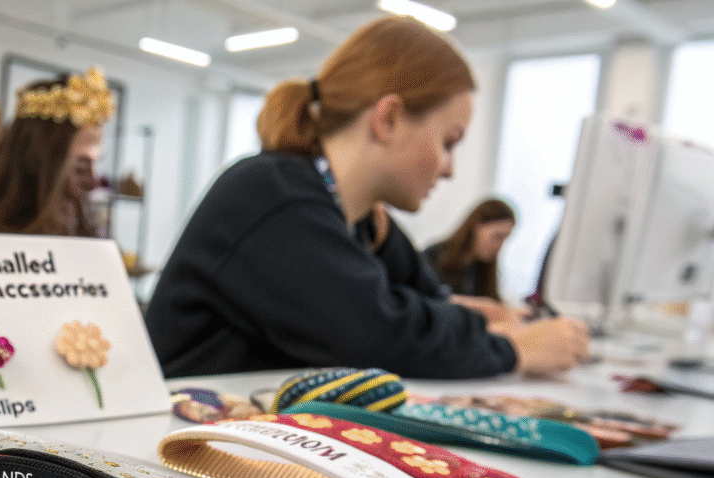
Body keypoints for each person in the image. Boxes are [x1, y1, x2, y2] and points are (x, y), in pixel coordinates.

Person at [144, 16, 589, 379]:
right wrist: (514, 350)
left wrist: (480, 318)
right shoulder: (273, 196)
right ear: (388, 118)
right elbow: (380, 335)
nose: (450, 168)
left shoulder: (352, 217)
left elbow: (428, 298)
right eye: (448, 142)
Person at [0, 67, 115, 236]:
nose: (93, 183)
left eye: (97, 163)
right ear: (35, 163)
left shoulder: (85, 239)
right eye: (80, 167)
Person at [420, 197, 529, 326]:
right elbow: (426, 301)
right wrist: (484, 307)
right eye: (497, 236)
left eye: (504, 239)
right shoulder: (433, 256)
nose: (499, 246)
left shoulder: (482, 268)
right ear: (476, 226)